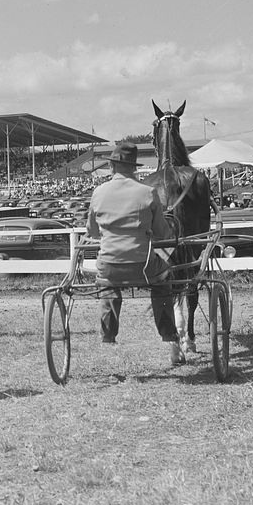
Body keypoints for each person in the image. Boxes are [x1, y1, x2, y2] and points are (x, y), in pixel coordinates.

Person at [85, 141, 185, 366]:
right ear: (134, 168)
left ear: (112, 167)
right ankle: (169, 334)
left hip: (109, 264)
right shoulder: (147, 193)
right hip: (143, 264)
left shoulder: (98, 193)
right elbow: (162, 233)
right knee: (163, 280)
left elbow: (91, 231)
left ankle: (108, 335)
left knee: (107, 284)